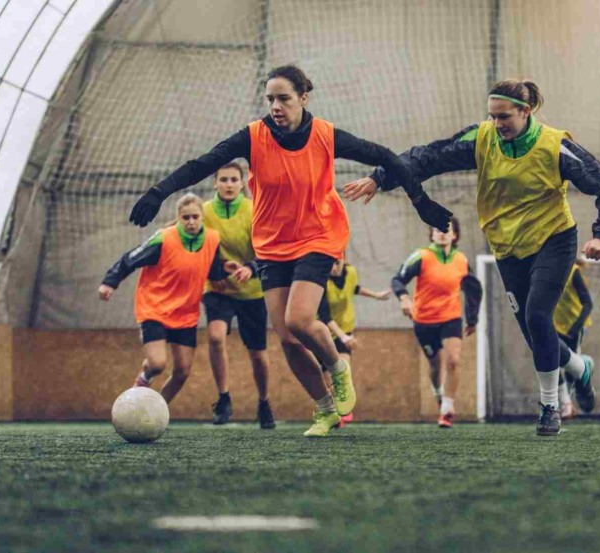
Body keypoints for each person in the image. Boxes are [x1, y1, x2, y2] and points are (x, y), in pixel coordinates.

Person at [128, 64, 453, 437]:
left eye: (284, 98)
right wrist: (158, 192)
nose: (276, 106)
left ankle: (338, 368)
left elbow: (384, 154)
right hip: (272, 244)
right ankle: (326, 409)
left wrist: (420, 200)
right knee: (286, 337)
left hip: (318, 235)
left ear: (303, 97)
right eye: (270, 100)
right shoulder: (253, 137)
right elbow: (202, 164)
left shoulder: (325, 135)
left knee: (300, 320)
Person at [346, 78, 600, 436]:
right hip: (508, 248)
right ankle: (580, 369)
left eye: (505, 117)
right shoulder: (482, 139)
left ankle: (549, 407)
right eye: (492, 117)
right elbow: (427, 157)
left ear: (526, 112)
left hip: (553, 240)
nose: (497, 124)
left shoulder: (555, 146)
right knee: (534, 332)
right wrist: (380, 177)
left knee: (538, 315)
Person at [99, 193, 232, 404]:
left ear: (202, 218)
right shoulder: (164, 238)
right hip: (154, 308)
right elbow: (131, 259)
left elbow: (212, 270)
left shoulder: (212, 239)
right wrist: (110, 282)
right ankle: (143, 379)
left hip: (185, 314)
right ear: (179, 218)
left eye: (195, 217)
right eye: (186, 217)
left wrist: (225, 270)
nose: (191, 222)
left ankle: (157, 409)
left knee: (182, 371)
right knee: (158, 363)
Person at [201, 160, 276, 429]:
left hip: (251, 291)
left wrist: (251, 268)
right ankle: (223, 399)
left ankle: (264, 402)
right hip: (218, 287)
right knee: (215, 336)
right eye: (224, 180)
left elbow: (268, 248)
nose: (229, 184)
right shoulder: (204, 211)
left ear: (242, 182)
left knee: (257, 353)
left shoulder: (254, 209)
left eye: (234, 179)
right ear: (215, 183)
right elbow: (197, 247)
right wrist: (216, 272)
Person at [392, 217, 482, 428]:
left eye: (447, 229)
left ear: (455, 235)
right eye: (438, 228)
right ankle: (438, 393)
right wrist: (404, 298)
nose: (442, 232)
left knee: (453, 360)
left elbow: (473, 290)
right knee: (435, 366)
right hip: (424, 320)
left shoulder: (461, 260)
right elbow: (398, 279)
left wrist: (472, 319)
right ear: (432, 234)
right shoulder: (421, 256)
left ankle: (447, 409)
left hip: (451, 318)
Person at [315, 254, 392, 428]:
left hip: (345, 330)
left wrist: (376, 295)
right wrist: (342, 336)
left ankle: (345, 407)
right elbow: (325, 316)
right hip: (324, 334)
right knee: (328, 382)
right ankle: (332, 413)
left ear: (343, 259)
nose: (334, 268)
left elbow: (354, 288)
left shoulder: (351, 272)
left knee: (343, 370)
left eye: (337, 263)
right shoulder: (320, 282)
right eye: (330, 265)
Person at [553, 255, 594, 420]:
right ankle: (566, 406)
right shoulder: (544, 273)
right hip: (553, 326)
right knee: (552, 364)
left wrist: (575, 328)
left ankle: (587, 366)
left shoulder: (573, 272)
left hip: (572, 327)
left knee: (570, 367)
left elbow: (588, 303)